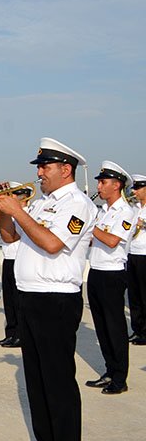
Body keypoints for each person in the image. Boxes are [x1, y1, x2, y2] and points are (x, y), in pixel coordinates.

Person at [0, 137, 96, 441]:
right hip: (31, 297)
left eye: (45, 167)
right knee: (36, 380)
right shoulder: (40, 205)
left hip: (56, 300)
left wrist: (18, 209)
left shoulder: (77, 205)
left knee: (59, 382)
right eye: (39, 166)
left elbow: (52, 243)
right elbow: (11, 239)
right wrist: (5, 213)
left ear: (65, 169)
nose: (39, 173)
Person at [85, 161, 135, 395]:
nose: (99, 185)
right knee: (101, 327)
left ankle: (119, 378)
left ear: (117, 185)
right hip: (95, 272)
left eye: (103, 182)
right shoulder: (103, 211)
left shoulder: (125, 211)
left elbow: (112, 240)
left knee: (114, 328)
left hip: (112, 276)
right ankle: (109, 370)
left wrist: (90, 226)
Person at [0, 182, 34, 348]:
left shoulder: (28, 214)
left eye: (14, 195)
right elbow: (5, 236)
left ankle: (20, 335)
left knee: (18, 303)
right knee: (9, 301)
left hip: (20, 259)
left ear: (23, 197)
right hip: (8, 259)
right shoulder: (11, 215)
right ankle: (10, 333)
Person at [127, 174, 146, 346]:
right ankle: (137, 329)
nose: (134, 191)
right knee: (134, 295)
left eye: (138, 188)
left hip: (145, 254)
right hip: (133, 252)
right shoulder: (134, 209)